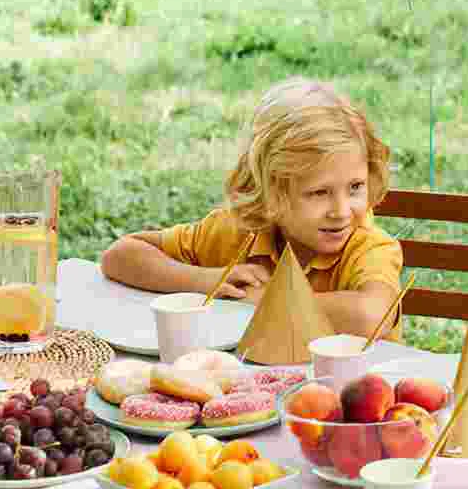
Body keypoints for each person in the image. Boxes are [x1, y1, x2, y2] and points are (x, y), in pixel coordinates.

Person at [100, 77, 403, 338]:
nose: (341, 210)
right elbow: (121, 255)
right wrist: (205, 281)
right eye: (319, 192)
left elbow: (369, 315)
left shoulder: (369, 247)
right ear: (269, 192)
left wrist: (261, 301)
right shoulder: (234, 231)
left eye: (355, 187)